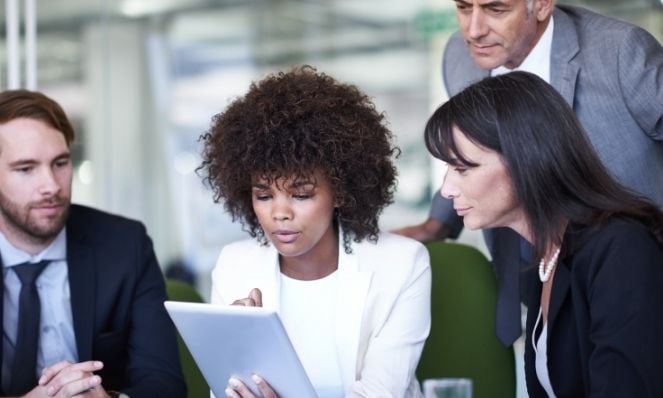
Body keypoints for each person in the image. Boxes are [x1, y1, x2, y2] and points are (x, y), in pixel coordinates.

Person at [394, 0, 663, 346]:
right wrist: (438, 223)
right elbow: (472, 150)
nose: (473, 30)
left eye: (495, 9)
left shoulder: (619, 52)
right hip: (537, 276)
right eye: (463, 7)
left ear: (541, 5)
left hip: (633, 281)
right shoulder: (458, 58)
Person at [199, 66, 431, 398]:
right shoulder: (235, 265)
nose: (280, 213)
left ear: (340, 191)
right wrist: (238, 355)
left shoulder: (401, 263)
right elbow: (222, 391)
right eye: (263, 196)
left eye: (302, 194)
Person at [427, 71, 663, 397]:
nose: (447, 189)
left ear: (526, 159)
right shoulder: (544, 261)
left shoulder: (620, 250)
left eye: (463, 169)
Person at [0, 90, 186, 397]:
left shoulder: (125, 246)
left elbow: (165, 385)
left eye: (60, 163)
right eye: (26, 169)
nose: (51, 186)